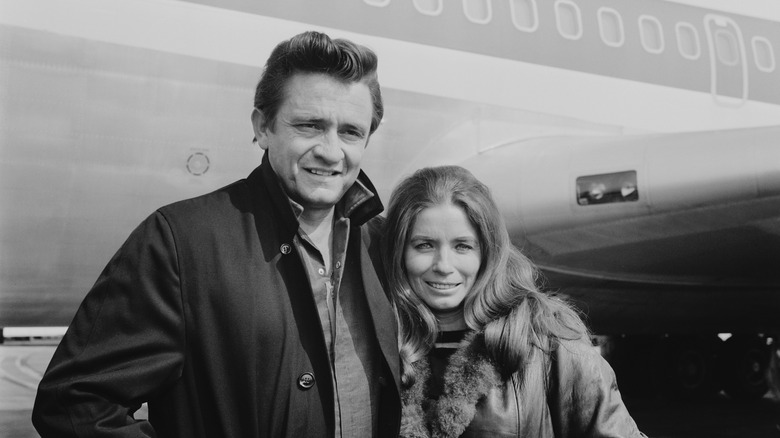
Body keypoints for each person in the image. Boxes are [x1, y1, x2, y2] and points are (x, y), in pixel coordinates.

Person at [32, 31, 400, 437]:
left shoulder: (382, 246)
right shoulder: (179, 241)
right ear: (263, 127)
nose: (331, 151)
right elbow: (75, 403)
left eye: (351, 132)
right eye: (310, 125)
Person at [381, 165, 645, 438]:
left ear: (487, 252)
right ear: (399, 252)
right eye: (424, 245)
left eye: (463, 246)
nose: (443, 265)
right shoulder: (380, 347)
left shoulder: (549, 343)